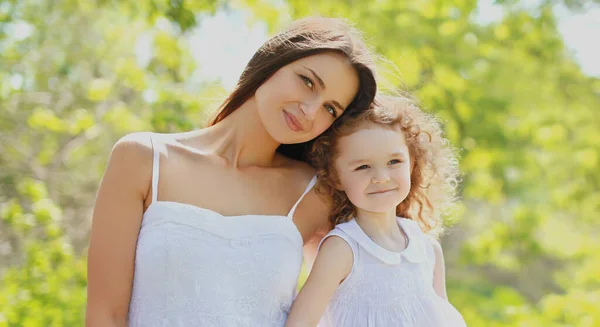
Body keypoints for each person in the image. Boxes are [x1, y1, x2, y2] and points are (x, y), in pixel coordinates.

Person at [85, 16, 377, 327]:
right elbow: (106, 316)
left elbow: (382, 278)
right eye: (307, 81)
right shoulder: (144, 160)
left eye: (330, 109)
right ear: (274, 60)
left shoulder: (316, 193)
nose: (310, 110)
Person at [285, 95, 466, 327]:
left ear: (412, 164)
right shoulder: (343, 249)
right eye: (363, 166)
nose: (381, 178)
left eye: (394, 162)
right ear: (336, 177)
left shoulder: (428, 249)